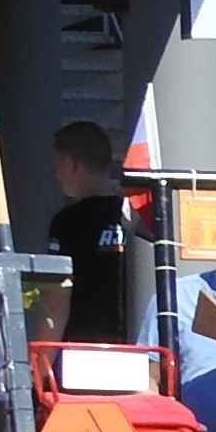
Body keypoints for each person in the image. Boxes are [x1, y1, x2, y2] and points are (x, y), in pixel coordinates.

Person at [43, 117, 129, 343]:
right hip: (139, 349)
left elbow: (57, 302)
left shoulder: (66, 223)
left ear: (73, 165)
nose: (56, 175)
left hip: (80, 352)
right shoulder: (136, 216)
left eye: (57, 165)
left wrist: (39, 364)